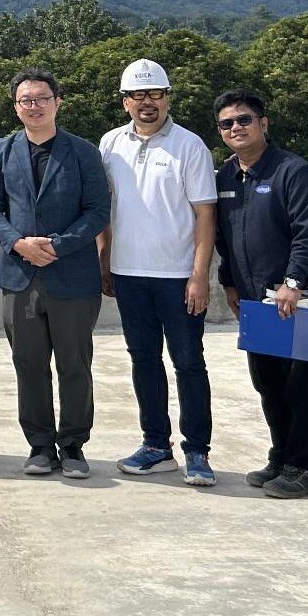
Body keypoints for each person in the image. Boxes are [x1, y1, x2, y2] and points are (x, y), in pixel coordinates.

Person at [0, 70, 111, 480]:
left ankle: (72, 444)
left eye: (41, 98)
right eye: (26, 100)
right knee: (28, 363)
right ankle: (39, 445)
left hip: (71, 275)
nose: (34, 106)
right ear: (16, 107)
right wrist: (18, 243)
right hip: (19, 275)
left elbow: (98, 211)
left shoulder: (83, 151)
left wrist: (58, 244)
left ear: (57, 102)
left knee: (75, 364)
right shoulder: (1, 151)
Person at [97, 59, 220, 487]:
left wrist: (199, 275)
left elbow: (205, 215)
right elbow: (105, 208)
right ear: (125, 101)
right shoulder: (110, 143)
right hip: (128, 273)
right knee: (144, 360)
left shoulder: (190, 146)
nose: (146, 102)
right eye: (137, 95)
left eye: (155, 94)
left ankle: (197, 451)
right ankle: (155, 445)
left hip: (177, 276)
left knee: (188, 362)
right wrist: (106, 261)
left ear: (168, 97)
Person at [212, 91, 308, 500]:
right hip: (255, 300)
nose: (236, 128)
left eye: (244, 119)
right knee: (268, 382)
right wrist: (228, 281)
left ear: (263, 124)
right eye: (227, 123)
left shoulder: (293, 172)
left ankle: (306, 468)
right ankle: (281, 457)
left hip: (298, 298)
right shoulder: (226, 177)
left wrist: (293, 281)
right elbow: (224, 238)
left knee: (302, 384)